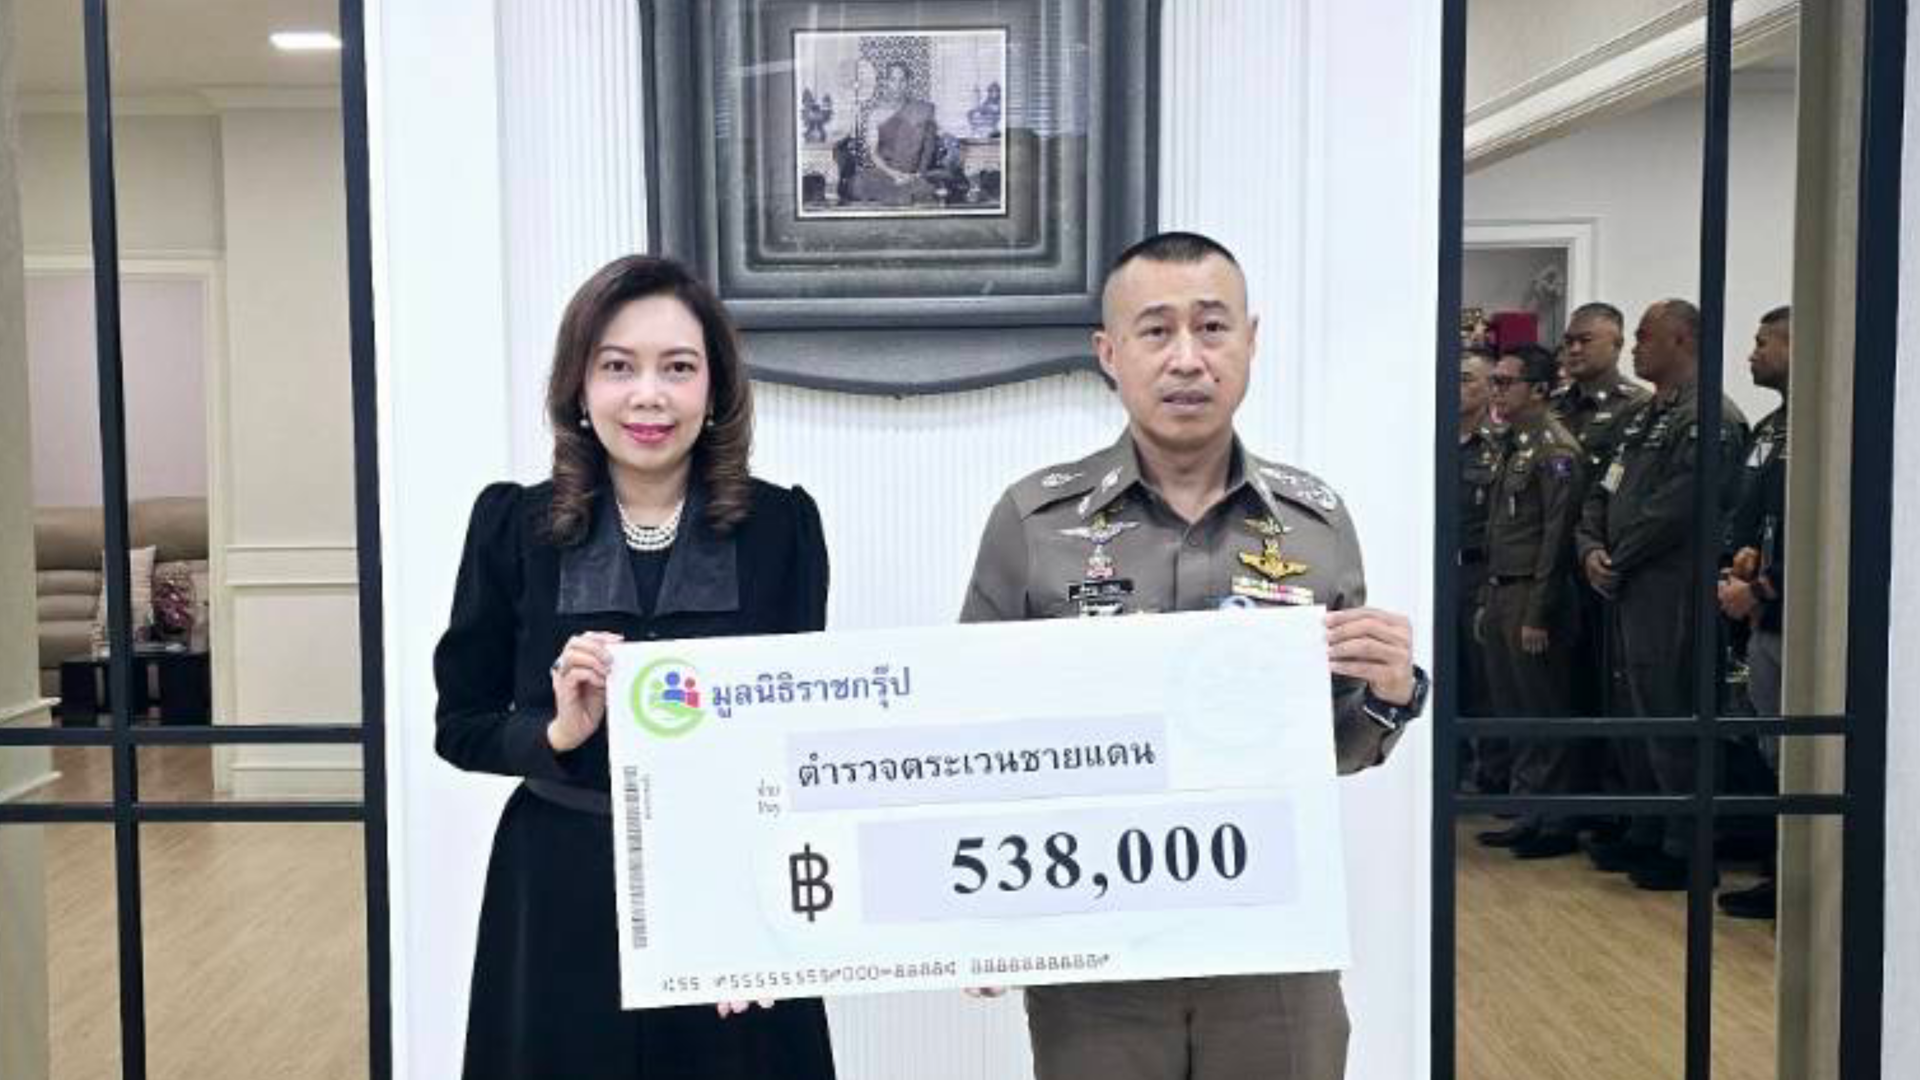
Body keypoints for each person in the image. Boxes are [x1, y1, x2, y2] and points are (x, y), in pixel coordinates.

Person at [960, 231, 1426, 1080]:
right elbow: (974, 733)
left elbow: (1335, 745)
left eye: (1212, 328)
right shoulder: (1033, 521)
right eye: (1155, 331)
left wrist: (1389, 695)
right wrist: (979, 912)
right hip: (1096, 948)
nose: (1187, 358)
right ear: (1109, 353)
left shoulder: (1314, 524)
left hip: (1271, 945)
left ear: (1251, 340)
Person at [433, 255, 837, 1080]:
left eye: (678, 368)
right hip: (558, 885)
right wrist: (556, 733)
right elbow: (460, 725)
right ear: (578, 388)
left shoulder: (781, 527)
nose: (648, 395)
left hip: (730, 879)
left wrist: (765, 913)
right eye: (618, 367)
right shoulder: (513, 526)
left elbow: (799, 733)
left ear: (715, 390)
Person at [1576, 299, 1749, 890]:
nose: (1635, 346)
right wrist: (1590, 549)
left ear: (1683, 340)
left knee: (1670, 709)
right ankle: (1645, 827)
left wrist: (1618, 557)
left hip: (1671, 585)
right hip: (1626, 581)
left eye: (1646, 335)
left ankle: (1685, 845)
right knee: (1632, 709)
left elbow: (1679, 507)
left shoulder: (1709, 417)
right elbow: (1601, 491)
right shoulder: (1642, 417)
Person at [1473, 344, 1587, 859]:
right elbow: (1498, 530)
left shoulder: (1556, 450)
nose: (1495, 392)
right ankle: (1528, 811)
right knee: (1513, 707)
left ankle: (1555, 820)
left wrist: (1539, 613)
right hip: (1503, 588)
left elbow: (1556, 540)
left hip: (1532, 594)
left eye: (1505, 383)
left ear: (1539, 390)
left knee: (1544, 709)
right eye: (1494, 382)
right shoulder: (1514, 444)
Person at [1716, 305, 1792, 919]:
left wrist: (1762, 588)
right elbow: (1748, 515)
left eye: (1764, 342)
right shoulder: (1770, 428)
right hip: (1762, 616)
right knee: (1770, 750)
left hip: (1799, 620)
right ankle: (1776, 869)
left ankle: (1792, 877)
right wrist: (1737, 568)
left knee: (1798, 754)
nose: (1751, 353)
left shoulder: (1828, 427)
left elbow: (1828, 537)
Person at [1458, 349, 1506, 791]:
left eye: (1468, 379)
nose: (1457, 386)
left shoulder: (1501, 446)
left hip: (1480, 572)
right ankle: (1447, 775)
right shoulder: (1430, 438)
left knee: (1485, 679)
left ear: (1491, 388)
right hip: (1439, 573)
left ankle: (1493, 777)